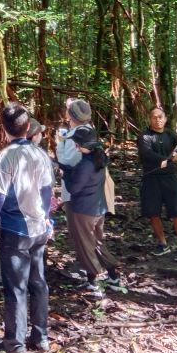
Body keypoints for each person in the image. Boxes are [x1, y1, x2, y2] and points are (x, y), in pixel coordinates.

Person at [0, 103, 54, 353]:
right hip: (39, 228)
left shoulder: (5, 156)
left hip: (15, 229)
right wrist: (47, 218)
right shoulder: (40, 154)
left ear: (5, 129)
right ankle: (41, 336)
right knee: (38, 281)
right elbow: (47, 191)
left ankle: (15, 344)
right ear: (28, 127)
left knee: (16, 288)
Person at [0, 117, 46, 289]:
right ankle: (5, 279)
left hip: (17, 218)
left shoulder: (10, 154)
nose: (42, 136)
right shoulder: (38, 156)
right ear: (33, 135)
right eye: (39, 133)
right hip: (25, 217)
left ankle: (7, 279)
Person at [62, 127, 121, 296]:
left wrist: (64, 175)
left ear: (83, 145)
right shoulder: (99, 157)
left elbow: (74, 188)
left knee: (85, 245)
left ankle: (93, 282)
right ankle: (113, 276)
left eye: (77, 144)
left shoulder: (85, 164)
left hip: (83, 211)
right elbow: (84, 176)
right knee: (97, 242)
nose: (75, 146)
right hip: (98, 208)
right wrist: (67, 169)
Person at [137, 107, 177, 262]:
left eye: (160, 117)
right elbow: (148, 155)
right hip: (151, 178)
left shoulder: (170, 135)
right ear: (150, 119)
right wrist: (170, 159)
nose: (157, 120)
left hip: (170, 178)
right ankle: (163, 243)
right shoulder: (145, 136)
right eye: (154, 117)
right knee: (153, 212)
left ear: (165, 118)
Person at [55, 98, 94, 278]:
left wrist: (60, 142)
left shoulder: (78, 134)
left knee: (79, 229)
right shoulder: (86, 130)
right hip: (88, 188)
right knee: (85, 229)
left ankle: (85, 268)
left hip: (78, 189)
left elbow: (67, 161)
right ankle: (86, 265)